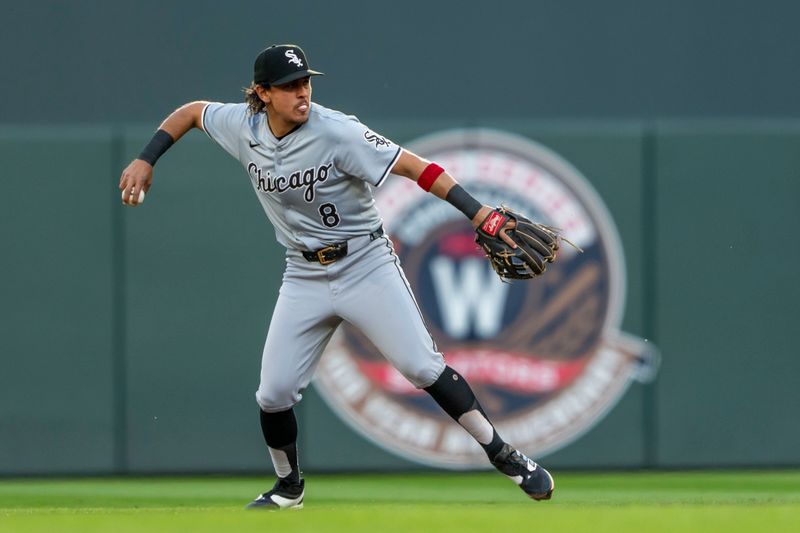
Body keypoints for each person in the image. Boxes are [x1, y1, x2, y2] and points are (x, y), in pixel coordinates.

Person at [118, 44, 554, 510]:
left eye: (305, 82)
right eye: (288, 86)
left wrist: (477, 211)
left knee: (422, 367)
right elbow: (191, 112)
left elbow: (416, 166)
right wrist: (148, 157)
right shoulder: (241, 126)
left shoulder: (339, 131)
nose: (302, 93)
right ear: (262, 94)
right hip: (302, 272)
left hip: (364, 262)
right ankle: (289, 487)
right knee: (273, 393)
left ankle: (503, 454)